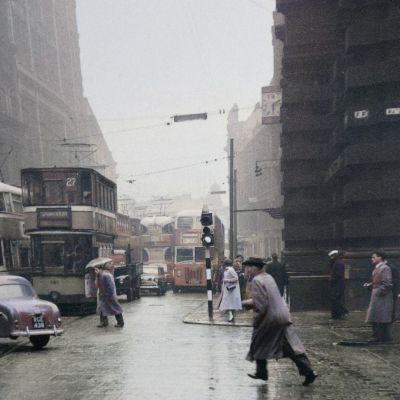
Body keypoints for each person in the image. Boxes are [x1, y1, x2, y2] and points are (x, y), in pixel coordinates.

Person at [242, 257, 317, 386]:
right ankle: (308, 372)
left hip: (269, 318)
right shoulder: (268, 277)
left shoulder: (257, 280)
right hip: (281, 315)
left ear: (253, 268)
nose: (246, 270)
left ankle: (262, 372)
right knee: (289, 346)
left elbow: (262, 304)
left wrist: (251, 310)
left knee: (259, 341)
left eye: (247, 267)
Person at [364, 251, 393, 342]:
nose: (372, 259)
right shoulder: (378, 268)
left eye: (374, 257)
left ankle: (380, 336)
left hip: (382, 296)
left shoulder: (385, 268)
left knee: (380, 315)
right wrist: (370, 285)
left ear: (380, 258)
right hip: (377, 294)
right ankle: (379, 335)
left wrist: (378, 291)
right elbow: (378, 281)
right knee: (376, 315)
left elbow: (387, 283)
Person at [95, 262, 124, 328]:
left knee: (115, 309)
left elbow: (110, 286)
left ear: (100, 269)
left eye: (96, 270)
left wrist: (109, 295)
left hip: (109, 296)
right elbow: (97, 285)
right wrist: (97, 276)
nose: (95, 271)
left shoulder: (106, 275)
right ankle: (104, 322)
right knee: (102, 309)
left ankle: (120, 322)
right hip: (103, 295)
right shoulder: (101, 275)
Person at [328, 250, 348, 320]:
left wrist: (332, 279)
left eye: (332, 256)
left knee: (335, 299)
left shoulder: (339, 263)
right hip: (336, 284)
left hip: (338, 285)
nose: (331, 258)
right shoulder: (336, 263)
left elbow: (338, 274)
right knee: (335, 300)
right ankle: (336, 315)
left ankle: (343, 311)